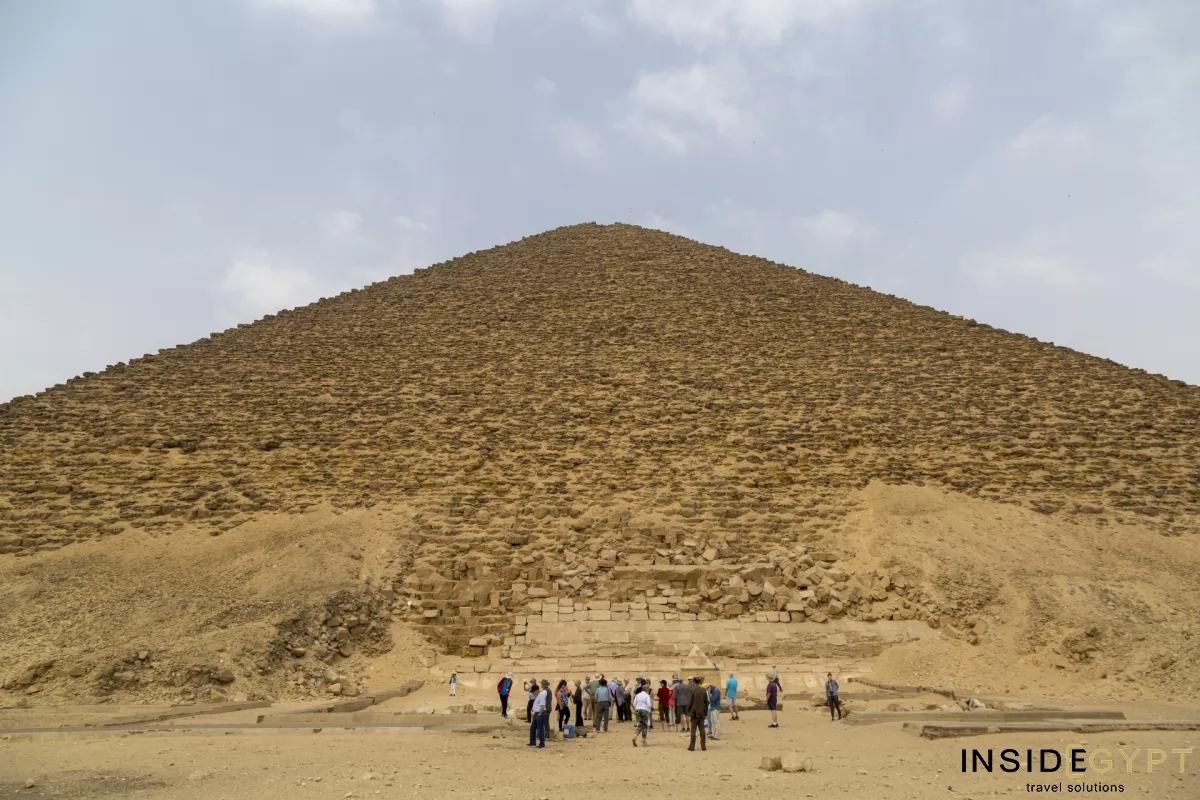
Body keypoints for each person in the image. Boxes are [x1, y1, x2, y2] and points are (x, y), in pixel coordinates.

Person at [686, 677, 709, 752]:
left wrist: (687, 710)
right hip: (702, 712)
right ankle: (703, 745)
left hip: (694, 712)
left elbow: (690, 702)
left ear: (694, 682)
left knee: (693, 729)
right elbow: (706, 702)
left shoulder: (692, 690)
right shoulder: (703, 690)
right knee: (702, 729)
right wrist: (705, 711)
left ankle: (692, 746)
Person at [528, 679, 549, 748]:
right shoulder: (540, 695)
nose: (533, 693)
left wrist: (540, 713)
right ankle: (532, 742)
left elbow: (542, 706)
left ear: (536, 690)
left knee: (540, 729)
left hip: (540, 713)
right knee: (532, 728)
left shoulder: (541, 695)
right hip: (536, 713)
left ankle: (542, 743)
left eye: (534, 692)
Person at [632, 682, 652, 746]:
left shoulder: (637, 695)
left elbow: (634, 703)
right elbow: (649, 705)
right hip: (644, 710)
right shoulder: (647, 696)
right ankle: (644, 741)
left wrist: (636, 709)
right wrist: (648, 711)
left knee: (640, 725)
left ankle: (635, 736)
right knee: (645, 726)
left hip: (638, 710)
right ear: (647, 690)